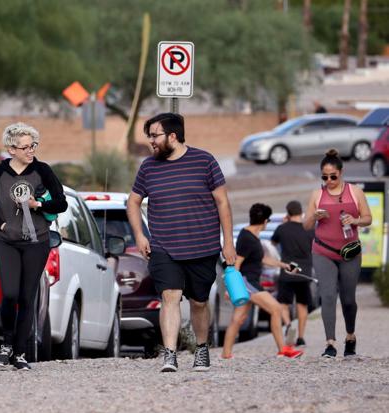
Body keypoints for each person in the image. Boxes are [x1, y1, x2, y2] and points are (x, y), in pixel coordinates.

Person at [126, 113, 236, 373]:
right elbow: (133, 202)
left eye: (155, 135)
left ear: (172, 136)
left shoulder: (204, 161)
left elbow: (223, 202)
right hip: (164, 246)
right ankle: (170, 354)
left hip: (203, 246)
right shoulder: (148, 167)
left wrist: (228, 243)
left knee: (199, 302)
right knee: (170, 296)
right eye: (149, 136)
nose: (151, 141)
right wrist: (141, 235)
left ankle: (200, 349)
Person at [0, 122, 67, 371]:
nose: (31, 151)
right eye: (25, 147)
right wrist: (2, 225)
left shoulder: (43, 171)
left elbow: (61, 203)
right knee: (9, 294)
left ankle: (20, 352)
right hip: (7, 242)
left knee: (27, 297)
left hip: (36, 242)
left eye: (33, 145)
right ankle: (6, 343)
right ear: (11, 149)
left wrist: (37, 205)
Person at [303, 149, 373, 358]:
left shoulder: (354, 192)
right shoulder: (317, 194)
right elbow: (306, 225)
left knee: (348, 298)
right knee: (328, 295)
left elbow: (368, 218)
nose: (329, 180)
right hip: (323, 251)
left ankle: (350, 336)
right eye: (324, 177)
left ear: (341, 173)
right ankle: (330, 343)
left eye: (333, 176)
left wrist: (355, 220)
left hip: (350, 252)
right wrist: (314, 216)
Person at [221, 204, 304, 359]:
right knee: (276, 309)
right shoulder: (247, 237)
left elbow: (262, 258)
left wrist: (284, 265)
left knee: (238, 319)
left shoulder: (252, 236)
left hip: (249, 281)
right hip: (247, 282)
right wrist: (231, 288)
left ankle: (226, 354)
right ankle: (283, 349)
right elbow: (237, 263)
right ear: (265, 221)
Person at [271, 200, 314, 347]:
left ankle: (288, 324)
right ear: (301, 212)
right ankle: (301, 337)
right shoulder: (309, 229)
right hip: (304, 272)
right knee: (302, 305)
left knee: (283, 303)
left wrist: (285, 223)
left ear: (288, 213)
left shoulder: (282, 229)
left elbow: (273, 243)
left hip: (287, 271)